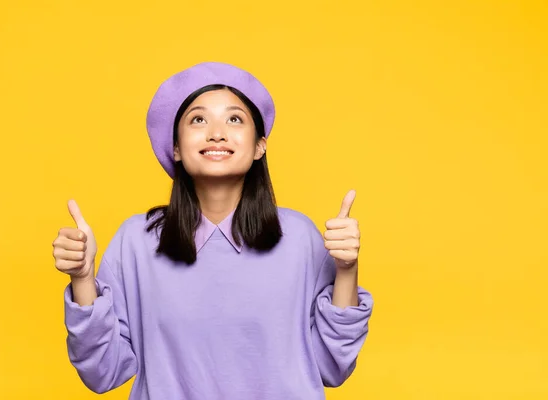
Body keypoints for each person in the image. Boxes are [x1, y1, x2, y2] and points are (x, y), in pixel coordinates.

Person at [52, 62, 374, 400]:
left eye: (234, 119)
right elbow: (102, 372)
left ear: (259, 146)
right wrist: (83, 278)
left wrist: (347, 270)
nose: (216, 132)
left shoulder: (299, 237)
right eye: (198, 120)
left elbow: (331, 367)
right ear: (175, 147)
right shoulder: (136, 242)